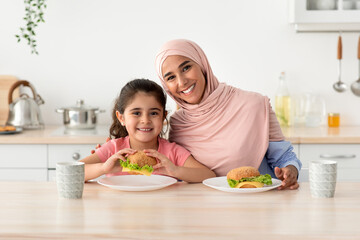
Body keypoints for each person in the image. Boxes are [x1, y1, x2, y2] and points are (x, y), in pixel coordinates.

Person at [154, 39, 302, 190]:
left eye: (186, 68)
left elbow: (284, 157)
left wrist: (290, 171)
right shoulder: (178, 124)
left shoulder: (254, 104)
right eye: (171, 77)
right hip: (201, 208)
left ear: (202, 65)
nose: (182, 81)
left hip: (256, 204)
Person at [80, 78, 215, 183]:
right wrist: (103, 168)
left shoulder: (172, 152)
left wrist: (174, 170)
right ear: (121, 118)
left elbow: (208, 175)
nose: (145, 120)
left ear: (163, 116)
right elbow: (72, 171)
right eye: (137, 113)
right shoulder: (113, 149)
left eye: (154, 113)